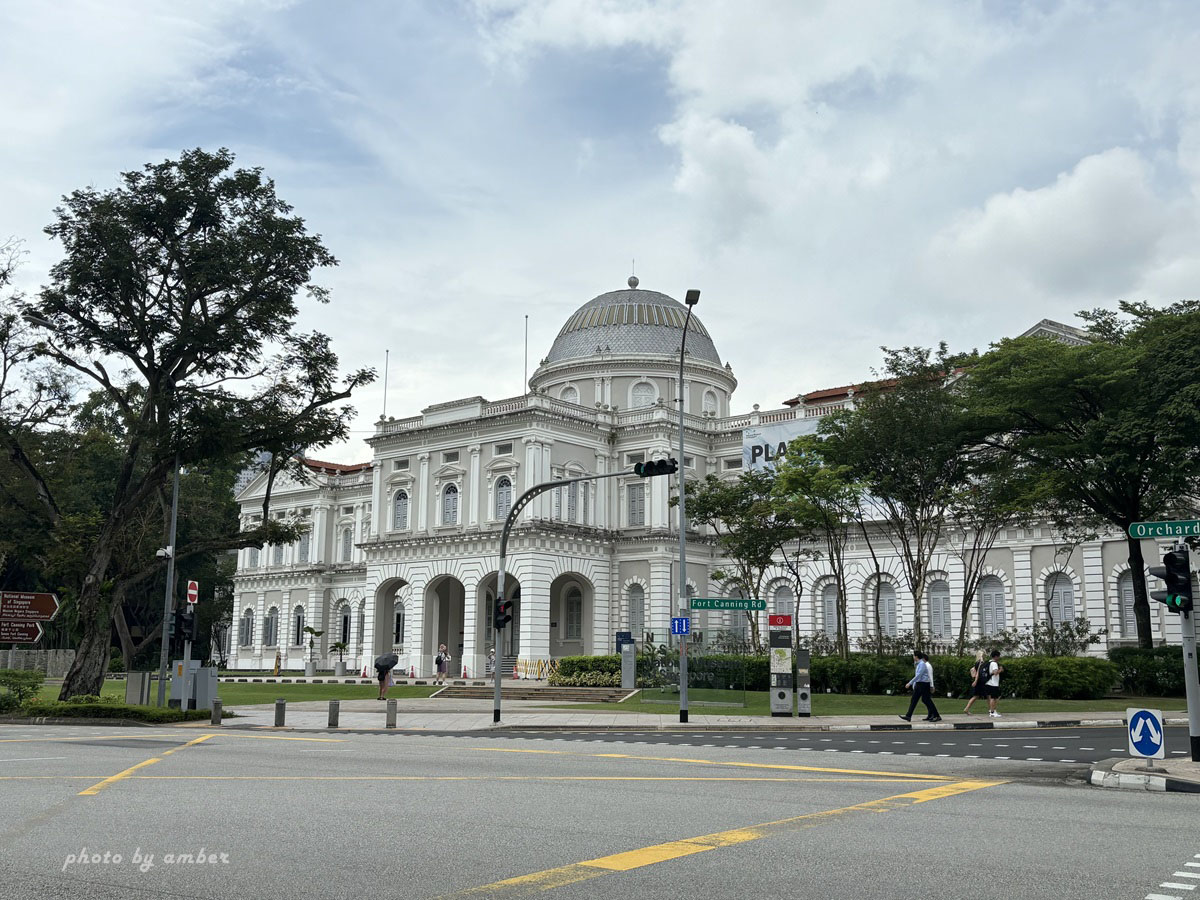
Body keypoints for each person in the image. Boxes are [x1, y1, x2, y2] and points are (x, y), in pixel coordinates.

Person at [899, 651, 941, 722]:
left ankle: (936, 715)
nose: (913, 657)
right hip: (920, 684)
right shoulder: (919, 663)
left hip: (923, 684)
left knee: (925, 700)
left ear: (916, 657)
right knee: (916, 700)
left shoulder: (922, 664)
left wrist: (910, 683)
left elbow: (918, 675)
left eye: (913, 656)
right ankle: (908, 716)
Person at [963, 650, 988, 715]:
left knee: (977, 696)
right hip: (980, 681)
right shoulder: (980, 662)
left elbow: (972, 669)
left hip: (979, 681)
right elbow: (978, 673)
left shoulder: (977, 662)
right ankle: (991, 710)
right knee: (987, 695)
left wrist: (973, 678)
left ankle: (966, 709)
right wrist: (975, 681)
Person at [985, 649, 1004, 718]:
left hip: (988, 682)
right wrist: (1000, 670)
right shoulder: (994, 663)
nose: (999, 658)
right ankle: (992, 712)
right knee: (994, 698)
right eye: (998, 656)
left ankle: (992, 710)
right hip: (994, 683)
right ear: (995, 656)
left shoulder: (989, 662)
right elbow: (995, 673)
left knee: (991, 698)